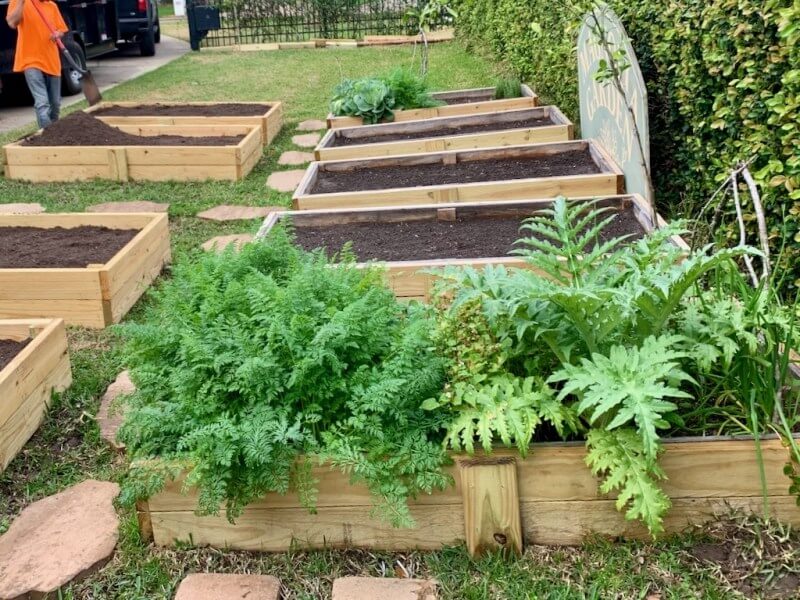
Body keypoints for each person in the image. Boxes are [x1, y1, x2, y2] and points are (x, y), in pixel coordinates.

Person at [6, 0, 69, 129]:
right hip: (30, 59)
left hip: (51, 60)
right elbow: (12, 23)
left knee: (55, 104)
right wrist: (21, 3)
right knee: (42, 102)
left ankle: (54, 132)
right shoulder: (18, 2)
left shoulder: (52, 6)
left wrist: (58, 34)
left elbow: (61, 29)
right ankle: (46, 136)